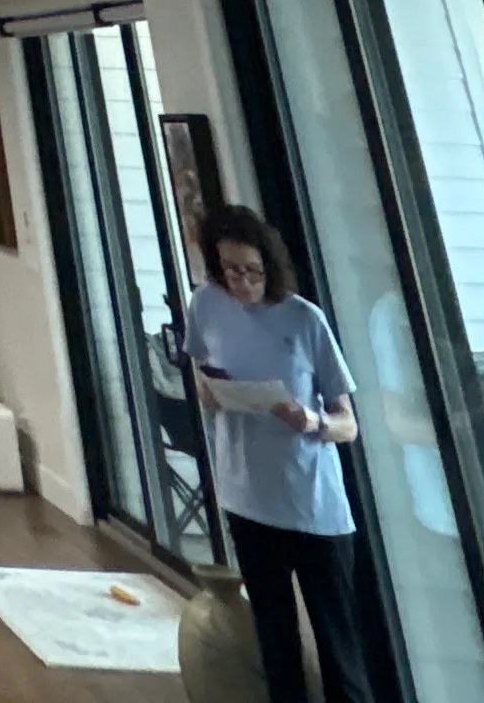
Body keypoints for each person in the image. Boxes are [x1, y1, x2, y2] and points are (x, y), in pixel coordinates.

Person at [188, 204, 374, 703]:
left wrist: (310, 421)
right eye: (230, 271)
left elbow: (348, 425)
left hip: (312, 506)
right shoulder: (205, 305)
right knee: (276, 646)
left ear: (269, 265)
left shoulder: (304, 319)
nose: (242, 282)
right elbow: (201, 366)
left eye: (252, 271)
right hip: (246, 499)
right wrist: (209, 393)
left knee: (340, 652)